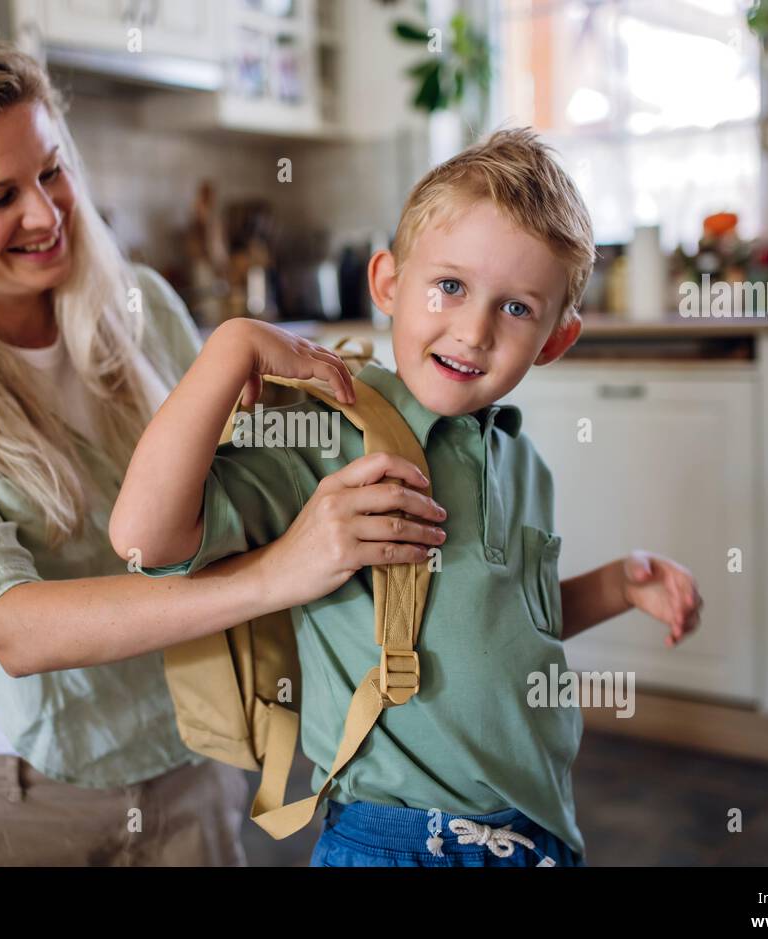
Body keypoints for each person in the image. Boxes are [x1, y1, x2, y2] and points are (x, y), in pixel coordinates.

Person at [0, 28, 443, 866]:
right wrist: (275, 575)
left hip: (183, 757)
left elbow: (236, 490)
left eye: (53, 171)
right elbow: (14, 628)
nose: (45, 215)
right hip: (4, 792)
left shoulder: (143, 307)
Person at [111, 127, 704, 868]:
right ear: (387, 282)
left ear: (555, 339)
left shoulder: (522, 463)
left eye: (517, 309)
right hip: (396, 841)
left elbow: (512, 631)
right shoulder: (328, 435)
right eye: (449, 286)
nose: (474, 331)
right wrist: (229, 348)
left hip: (534, 834)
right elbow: (143, 537)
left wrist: (618, 585)